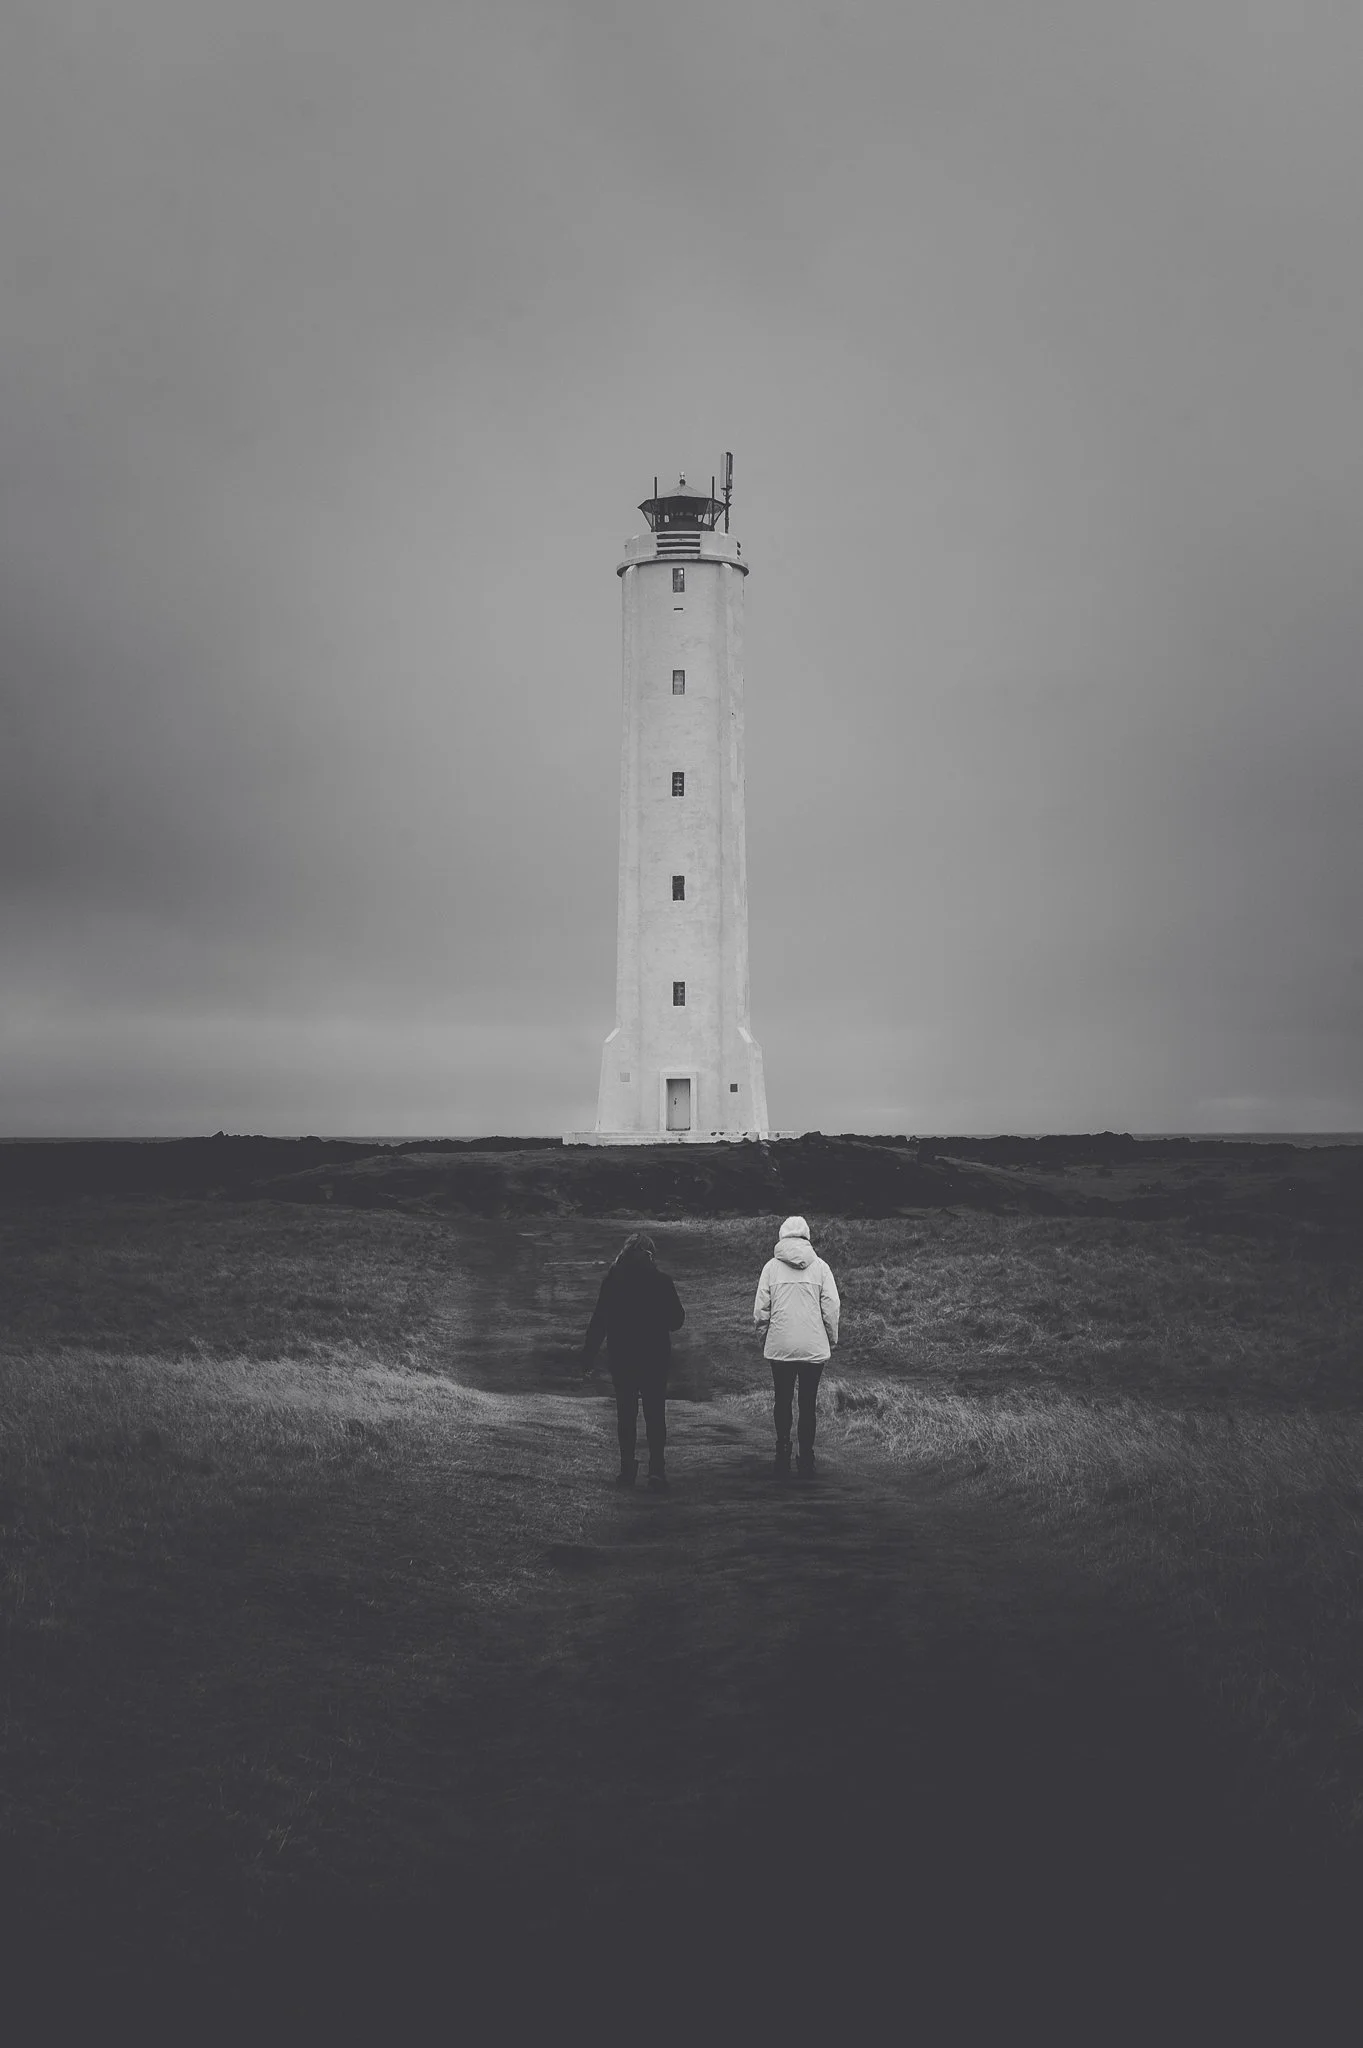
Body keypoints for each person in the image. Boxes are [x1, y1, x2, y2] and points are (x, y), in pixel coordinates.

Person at [580, 1231, 685, 1489]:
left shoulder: (613, 1281)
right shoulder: (661, 1281)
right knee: (654, 1413)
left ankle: (627, 1468)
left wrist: (588, 1356)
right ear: (650, 1254)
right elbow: (676, 1320)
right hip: (655, 1356)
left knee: (626, 1413)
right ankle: (656, 1470)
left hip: (623, 1355)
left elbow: (599, 1321)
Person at [753, 1216, 840, 1478]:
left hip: (780, 1346)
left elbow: (761, 1310)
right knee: (807, 1403)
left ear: (782, 1236)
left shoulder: (770, 1268)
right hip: (813, 1347)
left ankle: (782, 1451)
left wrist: (765, 1338)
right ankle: (806, 1457)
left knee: (782, 1399)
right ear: (806, 1236)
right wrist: (830, 1339)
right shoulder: (821, 1267)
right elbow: (832, 1307)